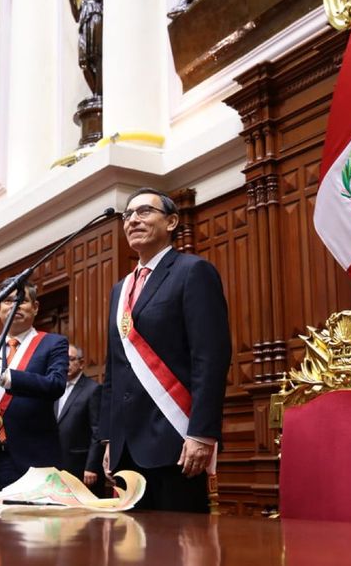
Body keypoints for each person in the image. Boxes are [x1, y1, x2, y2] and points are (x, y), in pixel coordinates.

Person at [100, 188, 231, 513]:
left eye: (144, 211)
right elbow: (113, 371)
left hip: (176, 440)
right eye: (128, 215)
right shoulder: (121, 290)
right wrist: (108, 439)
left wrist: (201, 433)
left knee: (180, 546)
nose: (133, 220)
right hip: (126, 447)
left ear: (172, 221)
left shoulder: (192, 272)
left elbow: (210, 358)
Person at [0, 279, 68, 496]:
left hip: (32, 458)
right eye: (8, 301)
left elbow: (56, 385)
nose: (14, 306)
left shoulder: (53, 343)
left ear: (35, 308)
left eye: (22, 301)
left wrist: (10, 378)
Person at [55, 344, 104, 493]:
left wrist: (91, 466)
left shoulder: (93, 389)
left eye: (70, 359)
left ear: (81, 363)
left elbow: (97, 431)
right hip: (56, 467)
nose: (66, 364)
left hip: (81, 467)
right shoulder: (55, 388)